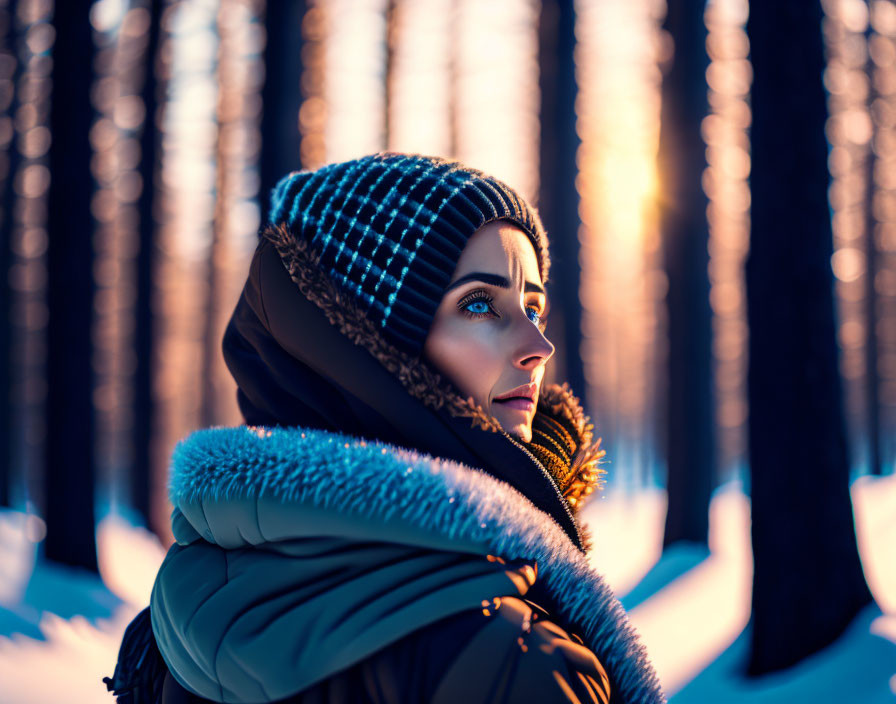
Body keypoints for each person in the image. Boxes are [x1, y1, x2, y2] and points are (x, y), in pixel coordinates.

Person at [104, 152, 665, 704]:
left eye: (533, 308)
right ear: (363, 350)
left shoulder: (172, 624)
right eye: (478, 305)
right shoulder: (510, 662)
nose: (538, 347)